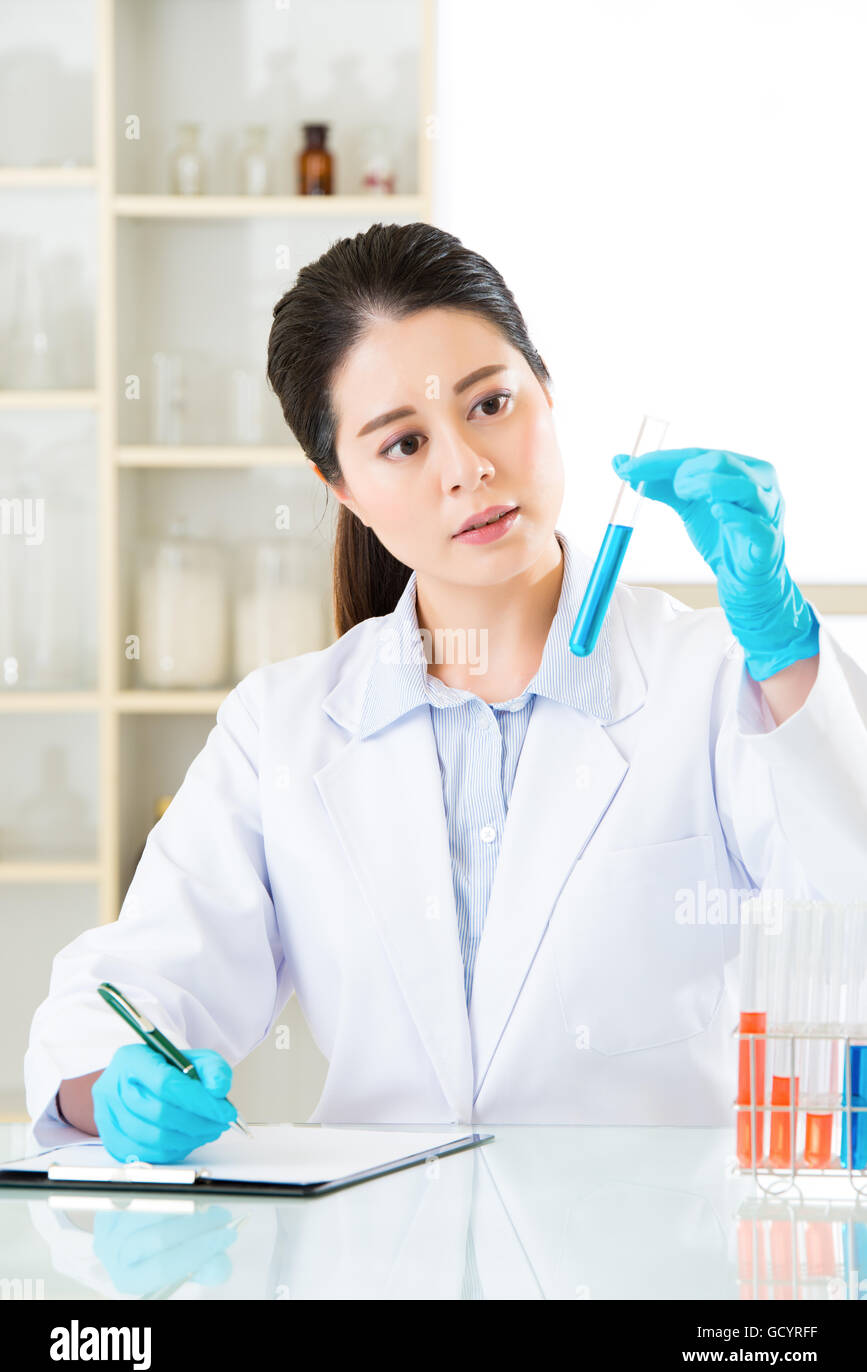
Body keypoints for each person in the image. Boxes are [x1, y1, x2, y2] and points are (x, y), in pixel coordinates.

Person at [25, 222, 867, 1163]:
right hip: (380, 1252)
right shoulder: (285, 728)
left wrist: (789, 655)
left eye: (492, 404)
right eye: (403, 444)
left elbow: (850, 934)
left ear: (547, 393)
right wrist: (112, 1087)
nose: (467, 466)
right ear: (336, 485)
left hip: (643, 1256)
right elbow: (140, 984)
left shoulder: (711, 682)